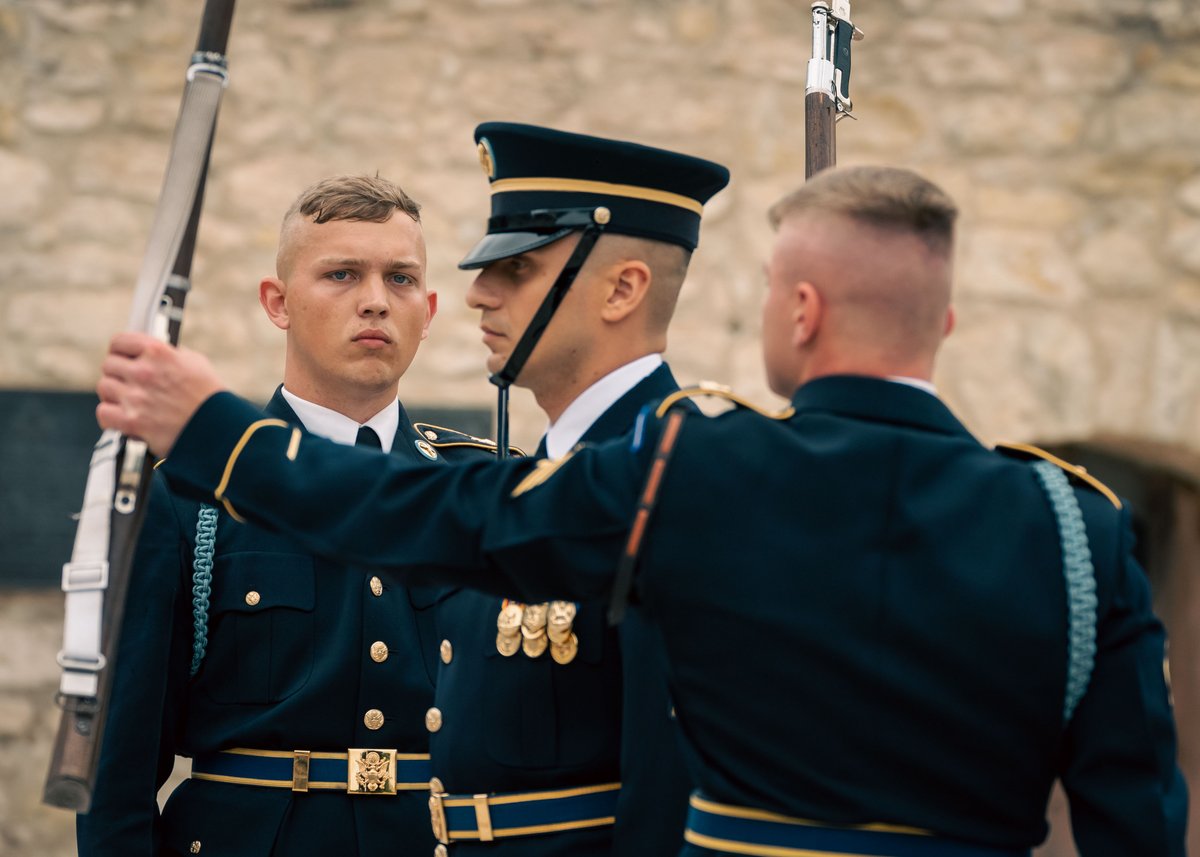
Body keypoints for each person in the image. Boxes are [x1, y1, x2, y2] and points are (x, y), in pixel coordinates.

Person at [97, 166, 1188, 856]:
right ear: (942, 319)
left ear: (800, 313)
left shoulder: (703, 471)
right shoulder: (1075, 522)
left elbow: (456, 517)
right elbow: (1137, 813)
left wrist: (215, 432)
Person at [78, 175, 505, 857]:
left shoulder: (478, 488)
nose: (374, 300)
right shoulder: (190, 496)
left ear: (427, 309)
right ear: (277, 302)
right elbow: (117, 775)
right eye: (341, 273)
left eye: (399, 279)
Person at [418, 122, 727, 857]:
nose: (478, 296)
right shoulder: (532, 475)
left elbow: (668, 788)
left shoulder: (673, 480)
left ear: (623, 288)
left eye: (517, 270)